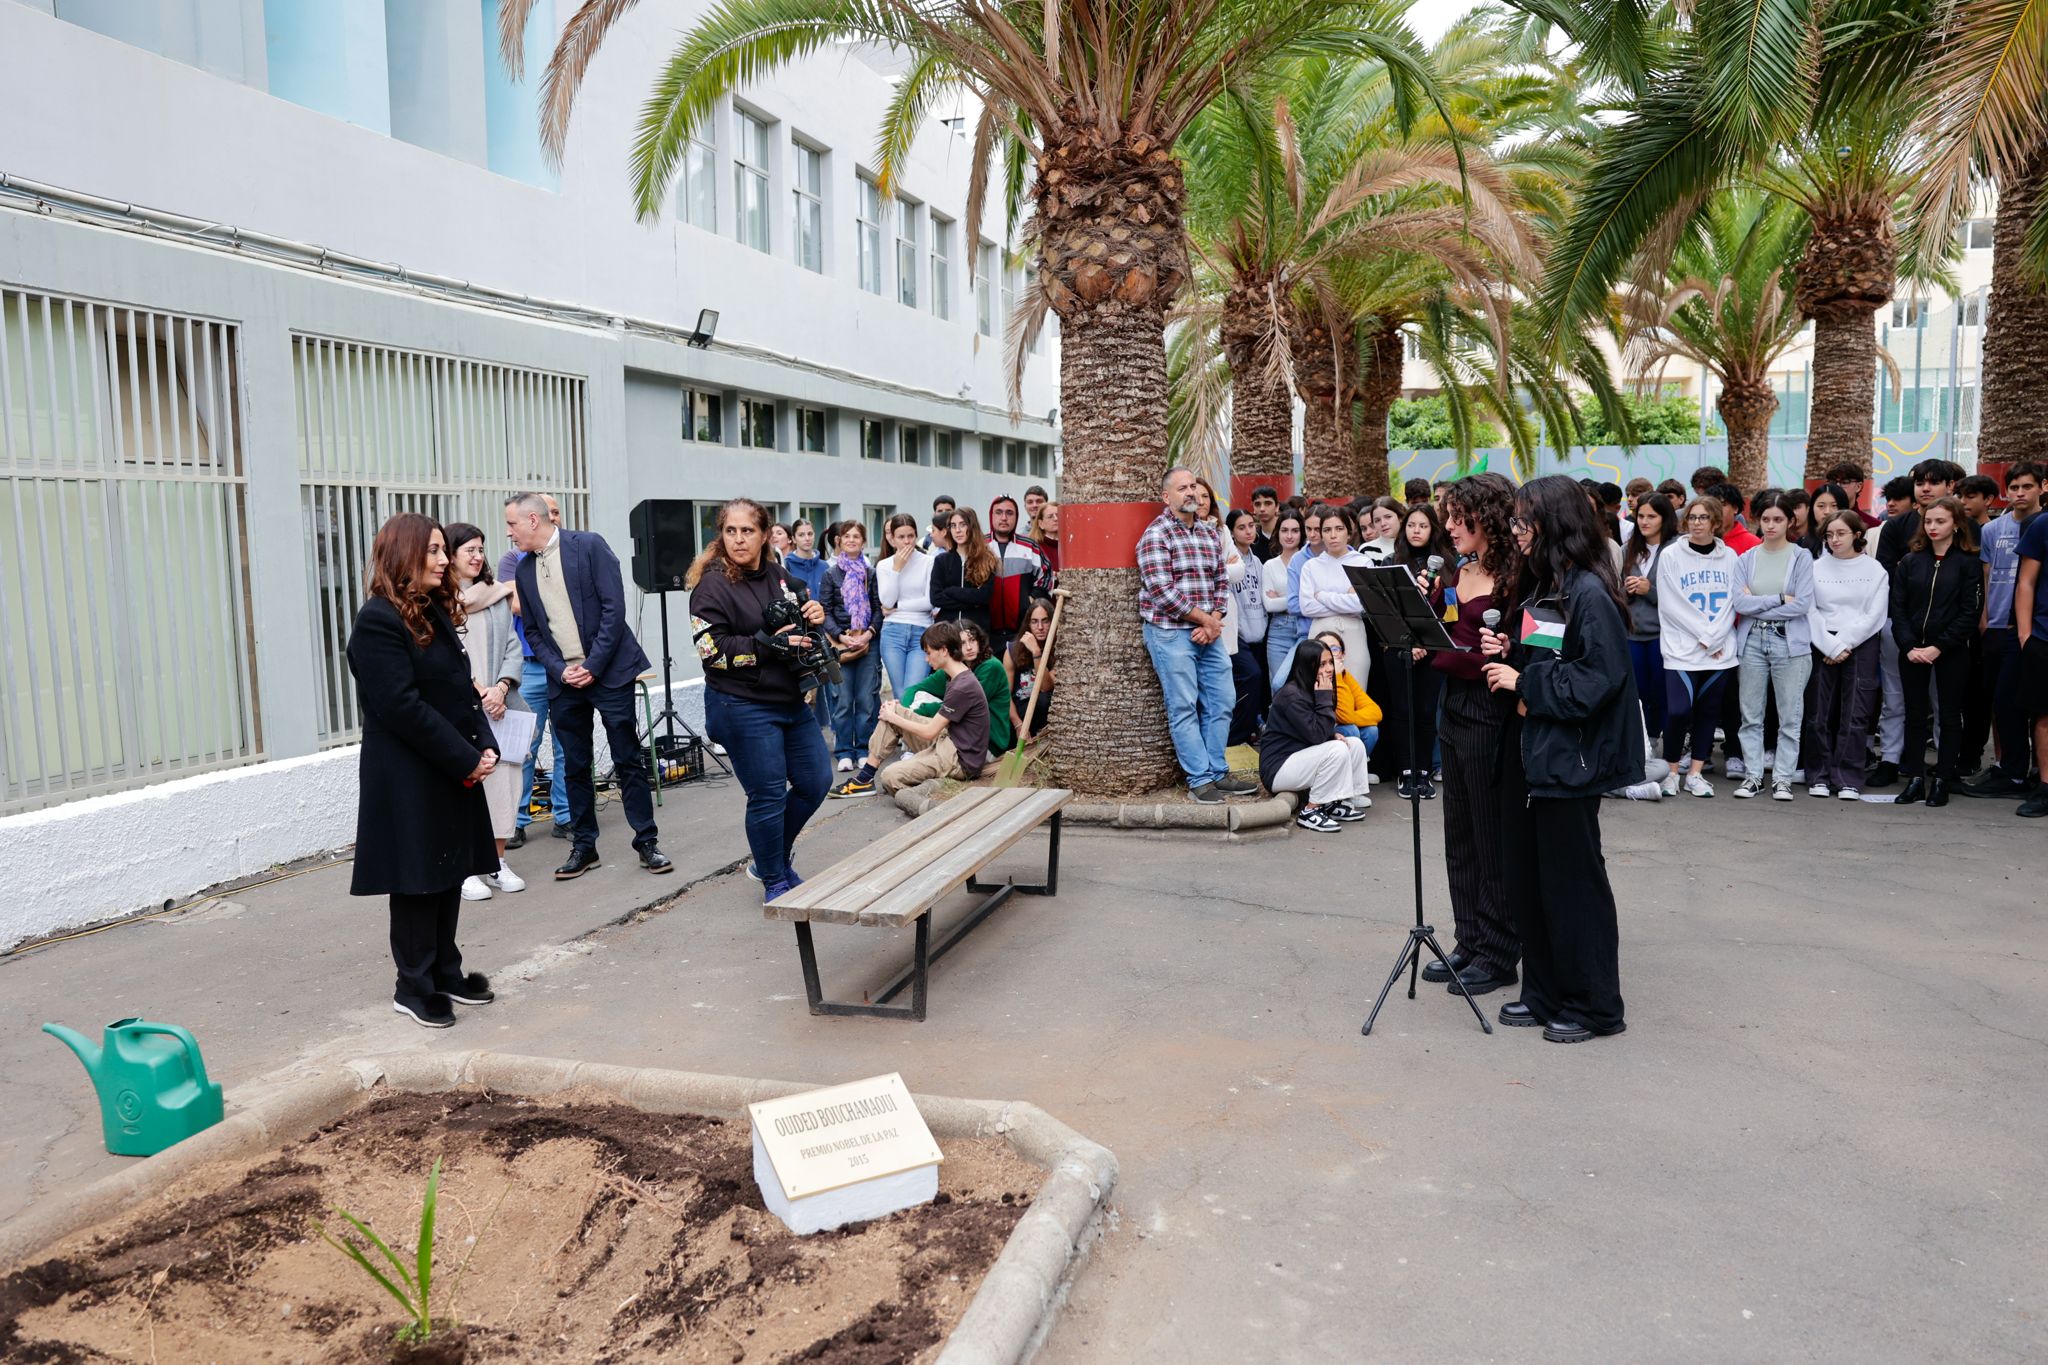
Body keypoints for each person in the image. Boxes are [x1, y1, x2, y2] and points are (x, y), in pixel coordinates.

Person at [1477, 475, 1637, 1044]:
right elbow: (1549, 653)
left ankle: (1595, 1005)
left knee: (1573, 885)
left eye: (1524, 521)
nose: (1516, 531)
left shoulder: (1590, 593)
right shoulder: (1543, 585)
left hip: (1569, 759)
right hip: (1529, 755)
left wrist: (1525, 680)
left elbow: (1597, 680)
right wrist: (1511, 653)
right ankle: (1542, 993)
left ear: (1555, 524)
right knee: (1529, 881)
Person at [346, 513, 500, 1028]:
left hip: (448, 767)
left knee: (448, 871)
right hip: (409, 775)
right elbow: (402, 708)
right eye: (432, 551)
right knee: (417, 880)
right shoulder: (378, 621)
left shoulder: (429, 610)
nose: (443, 559)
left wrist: (484, 746)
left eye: (442, 550)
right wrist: (464, 757)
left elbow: (460, 690)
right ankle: (412, 985)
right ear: (403, 557)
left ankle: (444, 972)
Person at [503, 492, 672, 878]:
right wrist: (560, 669)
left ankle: (647, 843)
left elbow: (615, 609)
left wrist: (592, 666)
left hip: (609, 672)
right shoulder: (524, 570)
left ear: (533, 520)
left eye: (512, 524)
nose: (509, 533)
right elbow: (532, 630)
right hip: (564, 680)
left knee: (627, 758)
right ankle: (584, 847)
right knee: (575, 765)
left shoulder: (590, 546)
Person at [687, 498, 831, 900]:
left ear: (765, 535)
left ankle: (770, 858)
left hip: (789, 701)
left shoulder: (779, 576)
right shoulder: (712, 584)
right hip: (741, 705)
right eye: (730, 531)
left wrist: (814, 615)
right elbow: (712, 652)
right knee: (767, 795)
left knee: (816, 780)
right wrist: (767, 644)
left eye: (747, 531)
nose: (738, 539)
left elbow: (801, 628)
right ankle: (774, 877)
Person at [1423, 473, 1522, 996]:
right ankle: (1468, 937)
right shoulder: (1456, 573)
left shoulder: (1514, 579)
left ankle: (1499, 949)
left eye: (1460, 514)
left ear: (1487, 516)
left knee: (1489, 834)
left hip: (1491, 706)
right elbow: (1444, 635)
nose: (1449, 524)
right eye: (1447, 513)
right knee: (1458, 831)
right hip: (1452, 704)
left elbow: (1522, 647)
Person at [1138, 467, 1250, 804]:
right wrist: (1208, 621)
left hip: (1209, 632)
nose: (1191, 493)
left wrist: (1213, 620)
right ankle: (1199, 780)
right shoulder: (1156, 535)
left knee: (1223, 701)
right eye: (1183, 488)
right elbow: (1162, 591)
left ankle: (1217, 770)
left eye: (1194, 488)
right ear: (1166, 497)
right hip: (1170, 633)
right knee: (1184, 705)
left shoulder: (1208, 533)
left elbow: (1221, 581)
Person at [446, 523, 529, 901]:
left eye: (481, 549)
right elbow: (444, 657)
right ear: (450, 556)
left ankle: (496, 861)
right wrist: (478, 689)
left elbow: (513, 647)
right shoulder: (440, 602)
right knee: (469, 782)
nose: (478, 556)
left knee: (505, 781)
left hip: (500, 705)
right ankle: (465, 869)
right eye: (469, 550)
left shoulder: (496, 596)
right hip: (462, 706)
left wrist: (500, 688)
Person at [836, 620, 1013, 795]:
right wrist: (896, 712)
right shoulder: (956, 676)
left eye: (928, 653)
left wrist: (894, 717)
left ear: (944, 651)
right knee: (895, 711)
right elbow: (920, 700)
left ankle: (934, 781)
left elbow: (929, 731)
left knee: (890, 776)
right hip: (948, 741)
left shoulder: (964, 686)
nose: (926, 659)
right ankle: (864, 779)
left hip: (958, 760)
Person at [1870, 460, 1963, 787]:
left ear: (1950, 487)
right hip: (1900, 626)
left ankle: (1944, 768)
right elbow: (1888, 576)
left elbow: (1966, 584)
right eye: (1920, 482)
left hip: (1947, 635)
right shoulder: (1896, 526)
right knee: (1895, 699)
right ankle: (1892, 759)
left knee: (1944, 702)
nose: (1925, 488)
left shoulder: (1964, 530)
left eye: (1933, 482)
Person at [1891, 496, 1983, 806]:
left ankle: (1943, 778)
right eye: (1928, 521)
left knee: (1949, 714)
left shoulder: (1967, 562)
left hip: (1951, 651)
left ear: (1956, 524)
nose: (1932, 527)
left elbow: (1970, 613)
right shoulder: (1910, 561)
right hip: (1913, 649)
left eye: (1940, 521)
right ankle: (1915, 778)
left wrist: (1938, 646)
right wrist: (1909, 645)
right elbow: (1898, 608)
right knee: (1914, 715)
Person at [1961, 462, 2044, 798]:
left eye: (2027, 487)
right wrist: (1983, 620)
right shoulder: (1994, 530)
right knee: (2001, 701)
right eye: (2014, 488)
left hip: (2033, 628)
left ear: (2043, 487)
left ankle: (2032, 771)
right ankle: (2008, 770)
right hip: (1996, 626)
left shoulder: (2043, 526)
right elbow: (1985, 577)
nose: (2020, 493)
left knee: (2033, 705)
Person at [1730, 494, 1816, 800]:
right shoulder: (1746, 559)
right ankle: (1753, 776)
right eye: (1765, 519)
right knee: (1750, 714)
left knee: (1790, 715)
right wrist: (1780, 598)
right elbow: (1740, 602)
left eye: (1778, 519)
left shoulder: (1801, 557)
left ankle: (1782, 778)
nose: (1770, 525)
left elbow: (1802, 604)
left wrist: (1758, 603)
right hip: (1751, 640)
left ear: (1790, 521)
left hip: (1789, 643)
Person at [1656, 496, 1741, 796]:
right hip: (1682, 649)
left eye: (1704, 517)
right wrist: (1705, 638)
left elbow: (1733, 602)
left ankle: (1695, 773)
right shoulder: (1670, 556)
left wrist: (1715, 639)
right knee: (1679, 711)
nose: (1697, 523)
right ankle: (1670, 771)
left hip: (1720, 653)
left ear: (1716, 522)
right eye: (1692, 517)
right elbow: (1671, 604)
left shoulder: (1730, 557)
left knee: (1708, 712)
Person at [498, 497, 570, 850]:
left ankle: (566, 815)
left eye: (556, 512)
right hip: (530, 667)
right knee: (524, 744)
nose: (554, 517)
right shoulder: (513, 559)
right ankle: (517, 819)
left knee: (566, 744)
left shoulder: (567, 553)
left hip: (567, 665)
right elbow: (515, 604)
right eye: (548, 511)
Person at [1805, 510, 1889, 798]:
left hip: (1860, 644)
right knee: (1818, 712)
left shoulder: (1875, 570)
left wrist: (1844, 643)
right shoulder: (1815, 568)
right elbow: (1809, 609)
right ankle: (1818, 774)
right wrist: (1829, 645)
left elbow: (1874, 614)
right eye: (1829, 535)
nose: (1834, 539)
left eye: (1840, 533)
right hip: (1821, 643)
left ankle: (1848, 778)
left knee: (1855, 713)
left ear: (1856, 534)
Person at [1259, 638, 1373, 831]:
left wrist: (1331, 734)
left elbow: (1321, 730)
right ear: (1306, 666)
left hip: (1299, 758)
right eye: (1322, 664)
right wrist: (1325, 699)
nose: (1329, 668)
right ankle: (1310, 811)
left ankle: (1333, 802)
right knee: (1337, 749)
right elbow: (1317, 735)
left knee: (1354, 744)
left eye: (1330, 662)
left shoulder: (1316, 687)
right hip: (1278, 769)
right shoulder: (1291, 696)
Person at [1380, 503, 1451, 796]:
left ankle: (1423, 770)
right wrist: (1409, 640)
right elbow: (1384, 609)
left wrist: (1423, 641)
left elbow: (1449, 612)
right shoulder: (1391, 562)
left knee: (1425, 711)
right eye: (1411, 525)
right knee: (1402, 709)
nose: (1416, 531)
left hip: (1433, 650)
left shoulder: (1448, 565)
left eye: (1423, 526)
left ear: (1433, 529)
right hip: (1399, 648)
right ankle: (1406, 770)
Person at [820, 520, 882, 773]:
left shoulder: (871, 573)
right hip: (841, 644)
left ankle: (863, 750)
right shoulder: (830, 574)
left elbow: (878, 609)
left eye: (857, 536)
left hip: (868, 643)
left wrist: (868, 634)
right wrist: (841, 636)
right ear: (839, 541)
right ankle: (844, 751)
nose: (852, 540)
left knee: (866, 699)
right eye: (847, 536)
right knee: (843, 700)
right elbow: (824, 611)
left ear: (863, 542)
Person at [1618, 493, 1676, 743]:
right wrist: (1627, 590)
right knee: (1637, 692)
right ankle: (1642, 741)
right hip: (1632, 633)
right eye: (1641, 515)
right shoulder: (1627, 549)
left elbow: (1681, 598)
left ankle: (1657, 737)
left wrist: (1649, 591)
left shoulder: (1676, 548)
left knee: (1661, 692)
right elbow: (1613, 592)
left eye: (1652, 516)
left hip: (1664, 633)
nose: (1644, 521)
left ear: (1665, 518)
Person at [1298, 506, 1374, 690]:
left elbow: (1363, 605)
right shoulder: (1311, 567)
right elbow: (1307, 607)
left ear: (1349, 532)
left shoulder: (1363, 562)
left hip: (1354, 634)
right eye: (1327, 530)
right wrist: (1346, 600)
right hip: (1320, 634)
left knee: (1356, 692)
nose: (1333, 535)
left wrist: (1322, 595)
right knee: (1321, 692)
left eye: (1339, 529)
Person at [876, 513, 936, 700]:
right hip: (893, 632)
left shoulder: (928, 561)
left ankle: (910, 729)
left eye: (910, 536)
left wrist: (899, 605)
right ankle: (900, 730)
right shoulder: (884, 565)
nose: (907, 541)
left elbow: (929, 601)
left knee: (912, 693)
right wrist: (897, 568)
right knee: (899, 694)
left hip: (921, 631)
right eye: (901, 537)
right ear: (892, 539)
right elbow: (886, 601)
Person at [986, 494, 1052, 656]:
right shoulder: (980, 546)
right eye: (998, 512)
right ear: (991, 516)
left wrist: (1029, 601)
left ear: (1016, 517)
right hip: (985, 630)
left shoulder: (1029, 546)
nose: (1004, 518)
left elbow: (1046, 576)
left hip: (1021, 630)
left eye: (1009, 513)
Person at [2016, 494, 2048, 817]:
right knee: (2043, 716)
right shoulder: (2042, 525)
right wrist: (2026, 635)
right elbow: (2025, 582)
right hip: (2042, 635)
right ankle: (2045, 788)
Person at [1225, 508, 1268, 745]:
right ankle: (1236, 738)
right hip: (1238, 635)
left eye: (1251, 525)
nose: (1249, 531)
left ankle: (1253, 727)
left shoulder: (1258, 561)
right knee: (1251, 675)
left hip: (1259, 633)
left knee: (1257, 683)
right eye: (1242, 527)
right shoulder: (1231, 561)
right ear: (1231, 532)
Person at [931, 505, 997, 637]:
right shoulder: (941, 560)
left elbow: (983, 597)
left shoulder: (987, 560)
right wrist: (972, 602)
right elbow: (936, 598)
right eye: (953, 526)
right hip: (947, 631)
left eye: (962, 525)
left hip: (976, 630)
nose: (958, 530)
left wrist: (951, 591)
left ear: (971, 527)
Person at [1314, 631, 1380, 751]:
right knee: (1351, 729)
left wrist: (1338, 677)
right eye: (1324, 648)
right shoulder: (1315, 676)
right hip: (1318, 735)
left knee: (1371, 730)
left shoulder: (1344, 676)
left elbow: (1376, 712)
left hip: (1339, 727)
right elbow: (1345, 717)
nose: (1329, 654)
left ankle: (1356, 766)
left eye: (1334, 649)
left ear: (1343, 655)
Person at [1262, 510, 1307, 686]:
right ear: (1277, 533)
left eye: (1295, 530)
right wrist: (1296, 598)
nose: (1289, 535)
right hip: (1279, 630)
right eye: (1284, 530)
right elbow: (1269, 605)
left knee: (1303, 686)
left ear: (1302, 533)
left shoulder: (1309, 562)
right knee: (1278, 685)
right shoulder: (1270, 565)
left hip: (1305, 625)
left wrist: (1282, 598)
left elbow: (1311, 600)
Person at [1007, 596, 1058, 739]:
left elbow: (1045, 687)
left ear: (1052, 622)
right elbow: (1005, 694)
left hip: (1045, 714)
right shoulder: (1013, 649)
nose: (1040, 627)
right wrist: (1018, 725)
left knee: (1043, 699)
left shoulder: (1060, 648)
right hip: (1019, 713)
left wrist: (1036, 653)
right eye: (1034, 622)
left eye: (1045, 621)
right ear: (1028, 624)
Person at [1800, 484, 1849, 557]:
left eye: (1834, 506)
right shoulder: (1801, 545)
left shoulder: (1854, 543)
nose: (1827, 512)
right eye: (1821, 506)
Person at [1249, 485, 1282, 561]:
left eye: (1268, 503)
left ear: (1277, 507)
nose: (1262, 509)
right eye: (1257, 504)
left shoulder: (1288, 536)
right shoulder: (1251, 540)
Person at [1032, 499, 1061, 578]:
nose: (1056, 519)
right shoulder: (1034, 547)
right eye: (1050, 516)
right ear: (1041, 524)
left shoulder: (1070, 546)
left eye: (1058, 515)